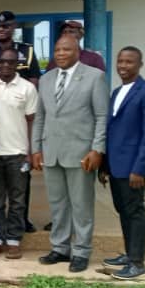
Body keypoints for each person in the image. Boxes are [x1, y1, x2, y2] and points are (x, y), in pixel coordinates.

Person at [32, 35, 108, 273]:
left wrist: (97, 149)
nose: (61, 53)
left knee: (81, 205)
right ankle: (60, 248)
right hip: (51, 151)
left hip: (81, 152)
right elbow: (40, 117)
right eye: (57, 50)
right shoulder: (46, 79)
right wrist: (36, 148)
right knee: (57, 204)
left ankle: (81, 251)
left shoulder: (94, 77)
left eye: (66, 49)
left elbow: (102, 117)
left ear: (77, 51)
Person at [99, 46, 145, 280]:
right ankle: (128, 253)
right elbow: (112, 130)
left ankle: (137, 263)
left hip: (134, 166)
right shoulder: (117, 92)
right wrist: (105, 165)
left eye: (129, 62)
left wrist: (140, 168)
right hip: (116, 164)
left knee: (135, 211)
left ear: (139, 65)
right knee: (123, 210)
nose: (123, 66)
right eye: (120, 61)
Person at [0, 48, 38, 259]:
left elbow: (32, 121)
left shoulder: (28, 88)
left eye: (11, 62)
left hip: (18, 153)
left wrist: (31, 151)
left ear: (18, 65)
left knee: (17, 200)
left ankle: (14, 240)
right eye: (2, 62)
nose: (6, 66)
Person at [0, 11, 41, 86]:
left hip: (19, 95)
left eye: (5, 26)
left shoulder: (27, 50)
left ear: (14, 26)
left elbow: (34, 79)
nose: (0, 29)